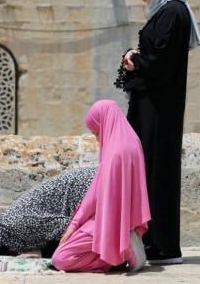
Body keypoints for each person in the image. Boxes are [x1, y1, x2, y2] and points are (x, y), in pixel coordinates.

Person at [119, 0, 200, 265]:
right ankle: (154, 241)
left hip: (159, 110)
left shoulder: (173, 13)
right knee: (150, 172)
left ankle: (165, 246)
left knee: (159, 174)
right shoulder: (167, 12)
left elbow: (161, 64)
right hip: (153, 107)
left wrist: (135, 61)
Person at [51, 100, 150, 273]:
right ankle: (120, 251)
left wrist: (73, 226)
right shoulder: (132, 141)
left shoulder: (115, 153)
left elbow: (95, 196)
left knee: (61, 258)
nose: (98, 140)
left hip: (106, 222)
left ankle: (121, 252)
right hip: (124, 221)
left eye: (97, 133)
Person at [0, 166, 96, 258]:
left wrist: (42, 253)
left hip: (92, 185)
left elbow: (69, 229)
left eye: (12, 251)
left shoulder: (21, 223)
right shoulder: (18, 222)